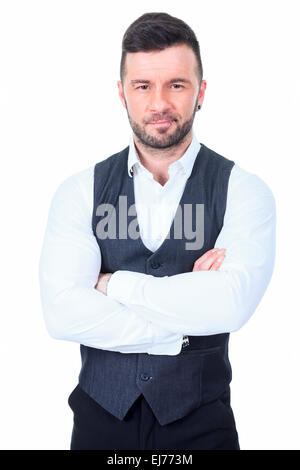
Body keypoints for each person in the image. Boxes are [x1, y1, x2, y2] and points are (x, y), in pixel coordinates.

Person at [38, 12, 276, 450]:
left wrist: (114, 285)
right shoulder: (80, 191)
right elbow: (62, 314)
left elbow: (230, 305)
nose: (159, 103)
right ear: (122, 93)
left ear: (200, 91)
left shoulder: (243, 190)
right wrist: (183, 324)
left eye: (176, 84)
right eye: (143, 86)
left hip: (202, 427)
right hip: (99, 422)